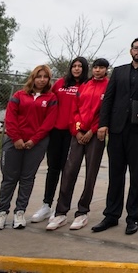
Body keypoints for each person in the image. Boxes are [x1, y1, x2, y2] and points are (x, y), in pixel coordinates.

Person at [92, 37, 138, 235]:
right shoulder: (119, 71)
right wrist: (103, 124)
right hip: (116, 129)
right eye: (136, 48)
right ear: (130, 51)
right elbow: (109, 99)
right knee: (115, 173)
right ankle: (111, 215)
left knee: (137, 175)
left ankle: (133, 217)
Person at [0, 65, 58, 231]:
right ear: (33, 78)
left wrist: (34, 140)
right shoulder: (18, 95)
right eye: (39, 76)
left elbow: (48, 122)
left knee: (27, 178)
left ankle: (19, 212)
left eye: (45, 77)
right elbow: (11, 118)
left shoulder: (51, 98)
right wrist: (16, 138)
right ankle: (1, 213)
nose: (42, 80)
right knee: (9, 178)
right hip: (14, 142)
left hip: (36, 144)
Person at [46, 58, 110, 231]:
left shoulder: (109, 86)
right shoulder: (84, 86)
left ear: (106, 70)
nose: (97, 70)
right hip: (78, 134)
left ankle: (82, 212)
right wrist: (78, 130)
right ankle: (60, 213)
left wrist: (92, 131)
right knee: (69, 171)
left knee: (90, 173)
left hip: (95, 136)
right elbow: (75, 111)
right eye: (95, 67)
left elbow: (106, 112)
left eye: (101, 68)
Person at [30, 57, 89, 224]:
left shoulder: (86, 85)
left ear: (84, 69)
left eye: (80, 66)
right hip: (56, 131)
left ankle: (60, 207)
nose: (76, 69)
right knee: (53, 168)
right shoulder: (61, 83)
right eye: (74, 66)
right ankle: (46, 205)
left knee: (67, 170)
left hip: (73, 133)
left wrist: (78, 129)